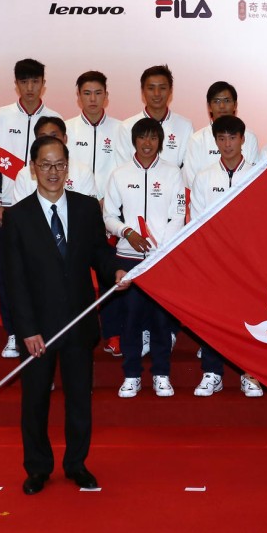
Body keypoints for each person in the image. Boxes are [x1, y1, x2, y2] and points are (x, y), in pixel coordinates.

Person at [2, 135, 127, 495]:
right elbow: (14, 280)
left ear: (68, 167)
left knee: (78, 401)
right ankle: (38, 468)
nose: (53, 172)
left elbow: (99, 256)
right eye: (45, 165)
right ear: (32, 168)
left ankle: (77, 464)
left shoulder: (87, 208)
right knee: (36, 401)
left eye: (59, 165)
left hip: (78, 322)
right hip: (37, 331)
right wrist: (26, 330)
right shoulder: (18, 217)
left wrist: (114, 272)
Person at [103, 117, 185, 398]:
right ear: (134, 141)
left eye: (153, 138)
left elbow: (179, 215)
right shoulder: (120, 174)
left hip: (161, 259)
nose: (147, 144)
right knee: (132, 320)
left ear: (160, 141)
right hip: (129, 258)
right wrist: (126, 232)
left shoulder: (173, 173)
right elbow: (109, 215)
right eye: (142, 138)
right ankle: (132, 375)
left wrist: (159, 246)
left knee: (162, 321)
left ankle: (161, 374)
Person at [0, 59, 62, 358]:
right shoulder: (1, 116)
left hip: (48, 209)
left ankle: (48, 329)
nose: (30, 88)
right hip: (9, 209)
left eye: (35, 82)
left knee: (45, 275)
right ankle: (14, 333)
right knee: (11, 274)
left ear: (43, 83)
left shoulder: (55, 119)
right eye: (24, 82)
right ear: (16, 84)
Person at [190, 115, 264, 398]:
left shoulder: (258, 174)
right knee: (212, 318)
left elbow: (264, 221)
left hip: (250, 262)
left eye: (233, 138)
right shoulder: (204, 177)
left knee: (252, 317)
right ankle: (212, 372)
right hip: (215, 261)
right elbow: (196, 222)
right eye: (221, 138)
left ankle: (251, 373)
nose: (227, 144)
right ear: (215, 141)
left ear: (243, 140)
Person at [182, 81, 260, 187]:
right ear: (209, 106)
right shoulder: (197, 139)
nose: (222, 106)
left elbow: (254, 177)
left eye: (227, 101)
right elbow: (190, 182)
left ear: (235, 105)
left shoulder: (249, 137)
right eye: (217, 101)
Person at [65, 70, 129, 196]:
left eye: (98, 93)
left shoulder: (122, 129)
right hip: (75, 203)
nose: (93, 99)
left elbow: (126, 171)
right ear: (78, 96)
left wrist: (109, 199)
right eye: (87, 93)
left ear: (106, 95)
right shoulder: (66, 128)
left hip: (111, 204)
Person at [10, 117, 98, 204]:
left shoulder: (83, 171)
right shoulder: (24, 174)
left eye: (54, 136)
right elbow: (20, 212)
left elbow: (87, 210)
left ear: (65, 138)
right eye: (43, 137)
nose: (50, 140)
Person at [123, 65, 194, 169]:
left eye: (162, 88)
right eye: (151, 88)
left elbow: (187, 169)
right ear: (143, 91)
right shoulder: (126, 126)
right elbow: (123, 169)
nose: (157, 93)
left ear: (170, 90)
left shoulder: (185, 126)